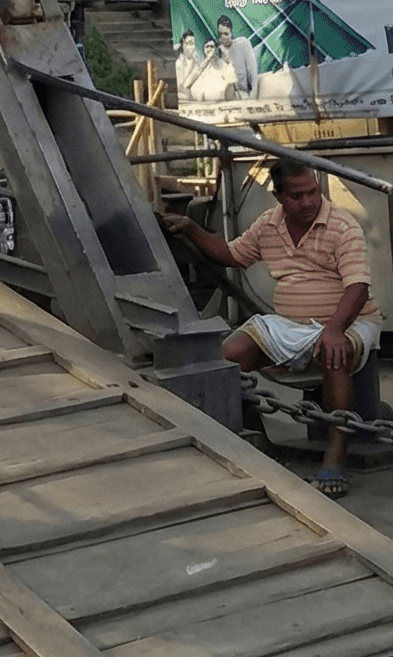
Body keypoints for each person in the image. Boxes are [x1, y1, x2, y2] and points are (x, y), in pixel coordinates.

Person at [159, 160, 381, 497]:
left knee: (333, 352)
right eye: (297, 196)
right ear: (278, 196)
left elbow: (358, 287)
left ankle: (335, 457)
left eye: (312, 192)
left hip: (350, 322)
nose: (308, 202)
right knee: (224, 358)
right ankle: (260, 442)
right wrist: (191, 228)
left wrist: (335, 329)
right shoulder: (268, 224)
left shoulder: (342, 225)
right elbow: (232, 254)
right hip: (289, 325)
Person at [215, 13, 259, 98]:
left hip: (243, 94)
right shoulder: (218, 50)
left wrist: (253, 97)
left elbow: (253, 72)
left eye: (226, 34)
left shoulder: (242, 43)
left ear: (231, 32)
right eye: (220, 34)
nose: (223, 37)